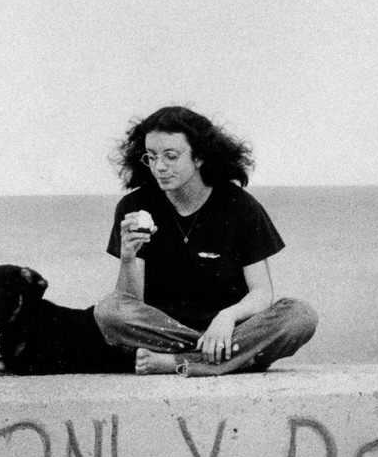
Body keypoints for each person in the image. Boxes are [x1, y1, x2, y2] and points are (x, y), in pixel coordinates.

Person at [94, 106, 317, 376]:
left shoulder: (239, 206)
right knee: (108, 311)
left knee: (300, 316)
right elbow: (130, 302)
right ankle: (220, 358)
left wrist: (227, 317)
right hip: (167, 331)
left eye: (171, 156)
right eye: (151, 157)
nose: (159, 167)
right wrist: (128, 256)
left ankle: (180, 362)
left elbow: (261, 293)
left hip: (229, 330)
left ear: (199, 157)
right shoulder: (135, 206)